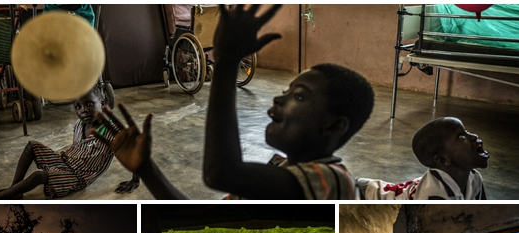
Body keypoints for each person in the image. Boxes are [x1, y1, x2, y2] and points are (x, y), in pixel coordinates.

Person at [91, 5, 374, 200]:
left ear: (334, 125)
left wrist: (227, 60)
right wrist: (146, 169)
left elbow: (219, 174)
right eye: (287, 90)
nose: (279, 97)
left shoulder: (333, 182)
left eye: (298, 96)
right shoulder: (278, 171)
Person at [0, 84, 138, 199]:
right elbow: (76, 149)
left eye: (89, 104)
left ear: (102, 102)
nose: (83, 110)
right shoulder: (80, 124)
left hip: (78, 176)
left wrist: (135, 180)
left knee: (39, 176)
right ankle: (14, 189)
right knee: (31, 146)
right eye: (78, 107)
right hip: (65, 160)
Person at [358, 117, 488, 200]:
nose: (473, 136)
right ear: (442, 160)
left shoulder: (474, 177)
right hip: (364, 193)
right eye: (460, 136)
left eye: (466, 131)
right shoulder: (432, 196)